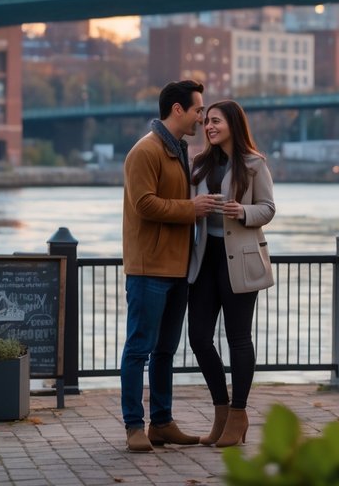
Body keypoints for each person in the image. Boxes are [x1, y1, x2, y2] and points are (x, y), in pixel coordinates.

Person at [120, 80, 215, 454]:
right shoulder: (145, 151)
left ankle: (161, 422)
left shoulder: (180, 149)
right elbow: (145, 204)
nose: (201, 117)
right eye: (197, 110)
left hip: (177, 269)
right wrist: (193, 209)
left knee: (164, 351)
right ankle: (133, 425)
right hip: (149, 268)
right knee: (138, 349)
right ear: (178, 110)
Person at [186, 100, 276, 448]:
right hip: (204, 259)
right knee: (198, 338)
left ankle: (238, 414)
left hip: (239, 258)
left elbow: (268, 208)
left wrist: (242, 211)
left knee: (239, 338)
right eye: (206, 121)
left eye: (216, 121)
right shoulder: (199, 163)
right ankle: (221, 410)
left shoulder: (254, 164)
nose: (208, 127)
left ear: (233, 124)